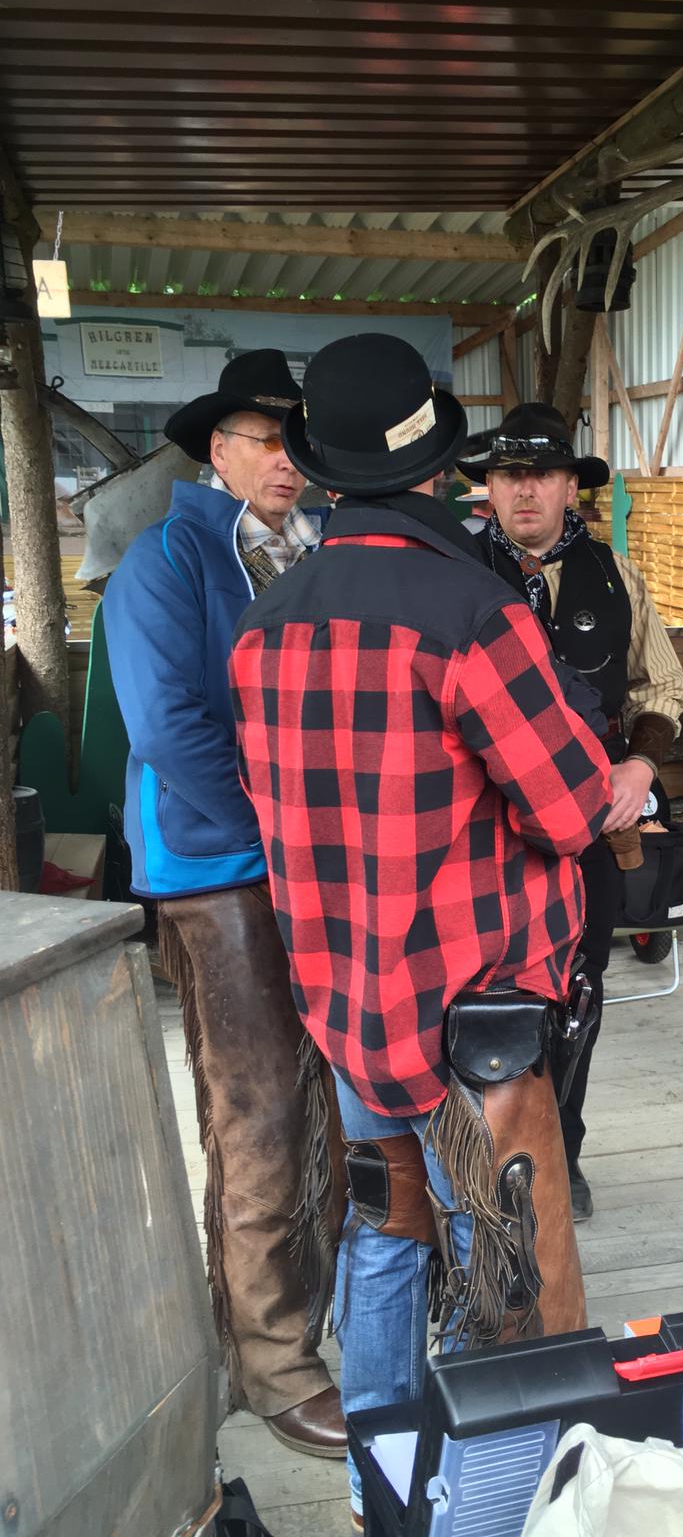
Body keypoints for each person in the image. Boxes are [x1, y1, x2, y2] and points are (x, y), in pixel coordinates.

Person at [227, 334, 613, 1527]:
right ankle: (488, 1501)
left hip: (350, 1006)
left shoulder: (263, 629)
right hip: (469, 1023)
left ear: (321, 469)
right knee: (501, 1265)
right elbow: (571, 808)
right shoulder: (474, 615)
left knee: (386, 1233)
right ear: (440, 467)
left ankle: (375, 1484)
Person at [103, 350, 346, 1455]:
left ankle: (303, 1321)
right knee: (257, 1113)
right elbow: (168, 729)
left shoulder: (321, 552)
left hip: (316, 864)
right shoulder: (166, 561)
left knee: (330, 1099)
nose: (286, 459)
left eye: (300, 440)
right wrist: (276, 833)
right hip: (219, 870)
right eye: (264, 438)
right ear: (218, 449)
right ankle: (273, 1362)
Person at [463, 402, 683, 1220]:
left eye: (543, 474)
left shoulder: (615, 574)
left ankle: (563, 1150)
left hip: (590, 823)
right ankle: (482, 1156)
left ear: (569, 487)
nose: (525, 490)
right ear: (489, 488)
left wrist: (640, 763)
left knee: (579, 988)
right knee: (483, 989)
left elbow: (662, 685)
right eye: (509, 475)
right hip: (479, 829)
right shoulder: (453, 573)